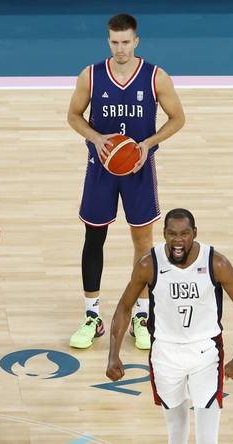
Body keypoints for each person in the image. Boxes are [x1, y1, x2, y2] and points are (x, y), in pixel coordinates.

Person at [67, 13, 185, 350]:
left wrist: (148, 144)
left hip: (139, 170)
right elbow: (73, 116)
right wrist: (96, 137)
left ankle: (142, 315)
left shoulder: (155, 77)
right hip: (101, 169)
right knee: (94, 238)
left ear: (136, 41)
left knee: (143, 243)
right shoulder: (91, 75)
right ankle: (92, 316)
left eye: (126, 42)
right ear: (109, 42)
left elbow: (178, 118)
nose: (120, 48)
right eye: (115, 42)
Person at [106, 208, 233, 444]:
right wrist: (113, 356)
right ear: (164, 234)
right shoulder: (149, 264)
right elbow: (124, 308)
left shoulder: (215, 263)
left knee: (207, 435)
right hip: (164, 351)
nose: (178, 240)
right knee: (175, 432)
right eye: (172, 234)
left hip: (205, 352)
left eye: (185, 234)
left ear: (194, 233)